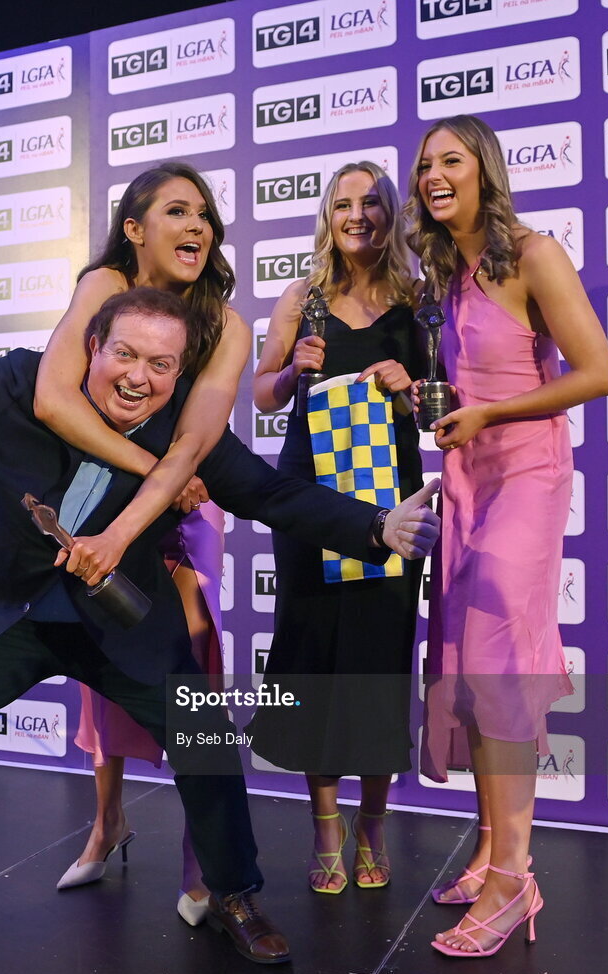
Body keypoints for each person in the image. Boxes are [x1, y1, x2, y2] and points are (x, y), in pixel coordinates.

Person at [0, 290, 441, 966]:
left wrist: (375, 525)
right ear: (91, 347)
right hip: (5, 609)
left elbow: (271, 493)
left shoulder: (185, 431)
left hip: (123, 620)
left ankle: (236, 894)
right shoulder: (15, 384)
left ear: (179, 374)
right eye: (124, 353)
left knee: (203, 739)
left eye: (159, 363)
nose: (137, 377)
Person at [406, 115, 608, 957]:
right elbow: (464, 384)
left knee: (497, 659)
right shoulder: (444, 274)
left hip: (527, 474)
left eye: (449, 160)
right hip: (466, 475)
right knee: (464, 661)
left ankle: (512, 878)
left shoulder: (535, 253)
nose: (431, 175)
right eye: (423, 165)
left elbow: (596, 371)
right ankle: (490, 845)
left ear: (484, 170)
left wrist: (491, 410)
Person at [32, 162, 249, 922]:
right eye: (178, 213)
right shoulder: (101, 286)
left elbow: (201, 437)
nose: (198, 228)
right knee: (103, 660)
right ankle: (107, 822)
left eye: (206, 216)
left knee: (189, 668)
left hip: (186, 512)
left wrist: (170, 475)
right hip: (115, 489)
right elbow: (54, 399)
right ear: (135, 227)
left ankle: (206, 868)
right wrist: (154, 468)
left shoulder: (226, 322)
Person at [248, 162, 424, 895]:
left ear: (389, 215)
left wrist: (408, 388)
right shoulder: (302, 296)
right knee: (314, 648)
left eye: (371, 202)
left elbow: (445, 401)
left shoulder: (420, 298)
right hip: (308, 494)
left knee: (379, 655)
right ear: (327, 215)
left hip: (394, 496)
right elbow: (260, 395)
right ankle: (325, 823)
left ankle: (374, 822)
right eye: (343, 204)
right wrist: (292, 372)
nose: (357, 215)